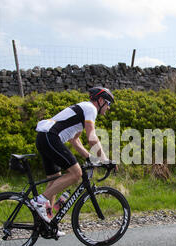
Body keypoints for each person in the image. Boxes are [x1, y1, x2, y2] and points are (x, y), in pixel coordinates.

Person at [30, 87, 114, 236]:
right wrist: (105, 160)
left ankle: (47, 224)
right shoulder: (90, 109)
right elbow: (92, 137)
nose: (108, 107)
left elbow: (75, 140)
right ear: (100, 101)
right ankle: (40, 201)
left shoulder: (83, 110)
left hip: (44, 137)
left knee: (53, 180)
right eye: (108, 103)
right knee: (76, 174)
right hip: (51, 137)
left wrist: (90, 157)